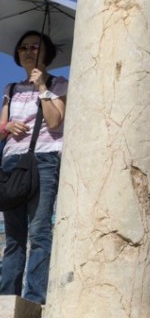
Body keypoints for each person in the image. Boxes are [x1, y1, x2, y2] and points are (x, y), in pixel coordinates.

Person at [0, 31, 68, 304]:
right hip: (13, 163)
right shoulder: (11, 90)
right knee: (14, 237)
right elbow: (1, 127)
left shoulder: (58, 83)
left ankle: (35, 297)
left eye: (34, 47)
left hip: (43, 160)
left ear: (46, 53)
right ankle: (7, 297)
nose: (27, 52)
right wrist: (7, 127)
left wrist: (42, 88)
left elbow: (55, 122)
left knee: (39, 231)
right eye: (23, 48)